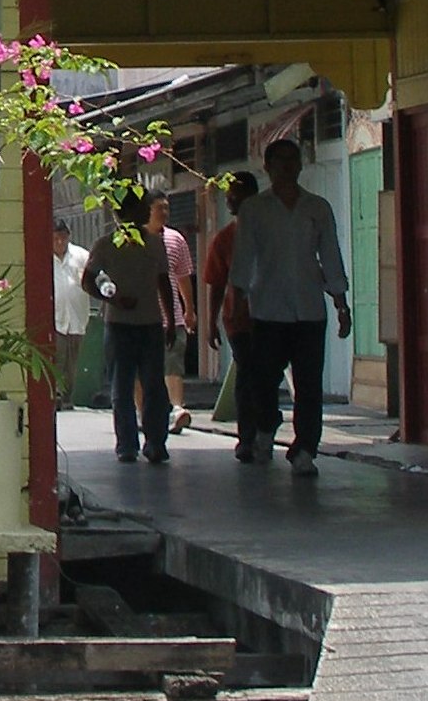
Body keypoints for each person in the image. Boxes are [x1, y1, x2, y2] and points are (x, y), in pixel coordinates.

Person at [229, 139, 351, 474]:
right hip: (267, 308)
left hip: (310, 308)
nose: (286, 167)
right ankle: (266, 428)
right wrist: (237, 302)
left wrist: (340, 303)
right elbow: (244, 259)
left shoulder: (317, 208)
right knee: (263, 380)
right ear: (267, 167)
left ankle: (305, 449)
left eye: (292, 160)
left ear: (300, 166)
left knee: (309, 383)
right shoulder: (254, 209)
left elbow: (330, 256)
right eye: (279, 161)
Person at [83, 189, 180, 464]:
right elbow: (87, 281)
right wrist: (111, 298)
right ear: (121, 213)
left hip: (150, 324)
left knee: (154, 386)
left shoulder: (154, 244)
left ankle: (155, 442)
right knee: (122, 387)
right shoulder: (105, 245)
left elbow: (164, 284)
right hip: (119, 325)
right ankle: (127, 444)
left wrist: (170, 320)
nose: (142, 214)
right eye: (137, 209)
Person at [202, 173, 254, 425]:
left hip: (273, 314)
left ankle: (264, 424)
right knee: (246, 372)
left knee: (264, 373)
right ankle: (248, 431)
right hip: (238, 318)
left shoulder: (270, 232)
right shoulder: (224, 239)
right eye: (227, 196)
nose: (229, 201)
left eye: (235, 195)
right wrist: (211, 322)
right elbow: (216, 283)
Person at [147, 195, 196, 434]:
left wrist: (190, 309)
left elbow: (183, 276)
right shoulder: (133, 238)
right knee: (142, 369)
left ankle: (177, 409)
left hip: (173, 318)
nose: (164, 212)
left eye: (167, 208)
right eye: (159, 208)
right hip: (144, 317)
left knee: (173, 364)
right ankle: (141, 411)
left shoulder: (176, 239)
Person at [52, 224, 91, 412]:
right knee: (56, 358)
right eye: (55, 238)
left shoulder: (81, 256)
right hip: (55, 319)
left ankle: (67, 397)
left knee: (71, 362)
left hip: (77, 318)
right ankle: (56, 395)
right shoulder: (44, 257)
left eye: (63, 238)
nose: (59, 242)